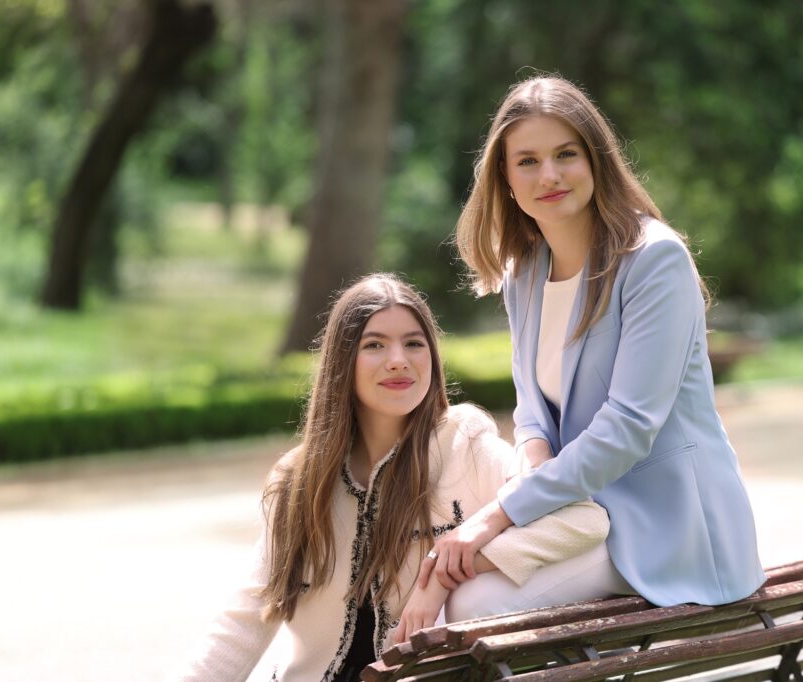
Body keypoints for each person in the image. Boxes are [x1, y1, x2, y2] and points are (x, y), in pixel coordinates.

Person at [420, 75, 765, 611]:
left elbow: (628, 427)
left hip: (667, 524)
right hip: (576, 515)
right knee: (449, 581)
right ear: (505, 178)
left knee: (475, 605)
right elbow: (532, 411)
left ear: (595, 159)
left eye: (565, 154)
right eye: (528, 161)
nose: (549, 174)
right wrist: (531, 480)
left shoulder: (654, 260)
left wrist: (500, 514)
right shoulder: (524, 273)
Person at [176, 273, 609, 682]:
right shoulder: (299, 481)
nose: (398, 361)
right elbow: (248, 617)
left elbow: (582, 519)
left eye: (414, 343)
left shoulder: (465, 447)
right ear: (342, 362)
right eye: (375, 345)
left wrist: (446, 569)